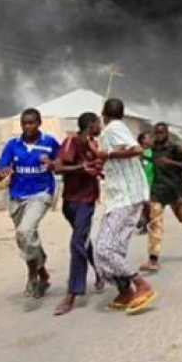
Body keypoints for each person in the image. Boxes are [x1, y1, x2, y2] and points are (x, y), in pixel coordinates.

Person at [94, 99, 157, 314]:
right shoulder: (118, 129)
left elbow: (137, 150)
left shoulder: (113, 128)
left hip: (126, 197)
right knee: (114, 248)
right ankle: (124, 291)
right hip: (122, 196)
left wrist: (108, 155)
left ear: (104, 114)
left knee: (104, 248)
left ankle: (141, 284)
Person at [0, 108, 60, 299]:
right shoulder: (13, 144)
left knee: (25, 231)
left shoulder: (49, 142)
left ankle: (32, 274)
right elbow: (1, 167)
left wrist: (52, 163)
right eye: (24, 123)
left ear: (39, 123)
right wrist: (2, 171)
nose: (27, 126)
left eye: (31, 122)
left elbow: (62, 160)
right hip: (16, 196)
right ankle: (43, 273)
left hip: (41, 194)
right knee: (25, 238)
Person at [53, 112, 105, 316]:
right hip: (71, 201)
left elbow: (96, 168)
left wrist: (96, 168)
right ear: (91, 125)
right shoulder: (72, 141)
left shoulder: (93, 146)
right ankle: (100, 272)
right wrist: (81, 168)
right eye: (98, 123)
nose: (100, 126)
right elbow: (59, 168)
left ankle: (72, 293)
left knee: (77, 241)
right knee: (81, 240)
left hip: (87, 200)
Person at [141, 122, 182, 273]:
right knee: (155, 223)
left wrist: (171, 162)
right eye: (157, 133)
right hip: (157, 190)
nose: (159, 136)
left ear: (167, 133)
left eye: (161, 133)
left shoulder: (174, 148)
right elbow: (151, 159)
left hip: (173, 189)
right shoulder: (153, 148)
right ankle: (153, 259)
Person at [136, 132, 154, 235]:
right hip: (141, 182)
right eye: (148, 137)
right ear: (142, 140)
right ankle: (144, 221)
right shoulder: (138, 152)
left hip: (152, 181)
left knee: (148, 204)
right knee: (143, 204)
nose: (151, 139)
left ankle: (146, 221)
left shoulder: (153, 151)